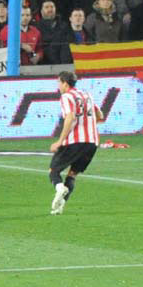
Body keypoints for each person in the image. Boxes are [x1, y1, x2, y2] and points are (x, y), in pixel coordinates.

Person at [49, 71, 104, 216]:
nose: (58, 86)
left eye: (59, 82)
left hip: (75, 141)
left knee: (53, 171)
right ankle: (60, 207)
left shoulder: (66, 97)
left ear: (65, 83)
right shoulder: (86, 95)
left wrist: (60, 141)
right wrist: (88, 125)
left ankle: (60, 188)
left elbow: (70, 117)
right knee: (72, 175)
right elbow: (100, 115)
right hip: (92, 141)